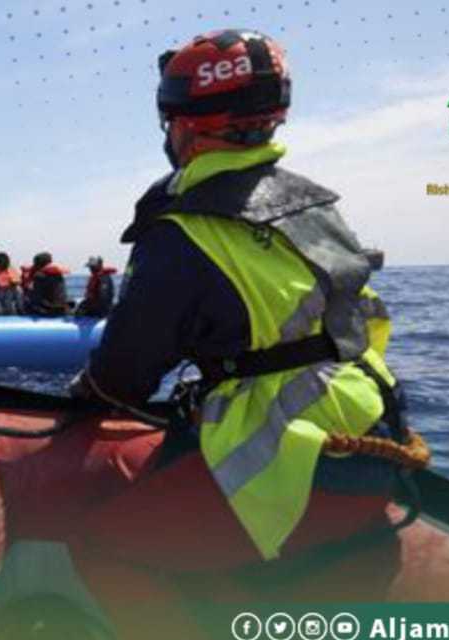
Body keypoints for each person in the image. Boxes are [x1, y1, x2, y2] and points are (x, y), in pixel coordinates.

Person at [70, 29, 402, 563]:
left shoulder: (182, 232)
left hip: (296, 464)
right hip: (375, 430)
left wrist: (84, 394)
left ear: (184, 127)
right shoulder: (317, 209)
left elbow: (123, 376)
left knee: (101, 546)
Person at [23, 252, 69, 317]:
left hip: (47, 310)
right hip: (62, 309)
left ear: (38, 265)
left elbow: (36, 299)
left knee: (26, 301)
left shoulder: (39, 276)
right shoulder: (58, 276)